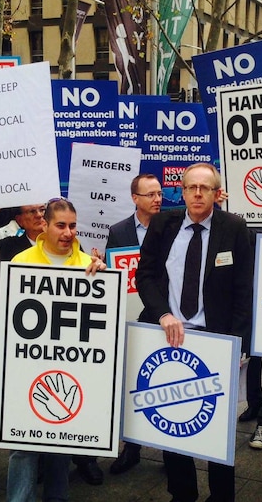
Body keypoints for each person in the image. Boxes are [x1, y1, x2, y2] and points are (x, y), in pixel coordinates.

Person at [136, 162, 253, 502]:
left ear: (217, 194)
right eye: (191, 187)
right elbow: (144, 276)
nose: (198, 193)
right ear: (183, 191)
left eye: (206, 188)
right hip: (169, 335)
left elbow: (243, 291)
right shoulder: (163, 225)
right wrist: (162, 314)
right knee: (175, 419)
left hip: (215, 340)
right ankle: (182, 493)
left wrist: (239, 346)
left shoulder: (234, 228)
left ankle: (222, 495)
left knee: (217, 428)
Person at [6, 197, 107, 501]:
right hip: (27, 372)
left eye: (73, 226)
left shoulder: (88, 267)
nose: (68, 232)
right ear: (44, 226)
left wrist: (104, 280)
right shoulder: (22, 262)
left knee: (61, 450)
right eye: (60, 225)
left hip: (69, 374)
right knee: (23, 449)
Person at [104, 173, 162, 475]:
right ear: (135, 198)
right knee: (132, 381)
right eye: (150, 194)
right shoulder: (119, 231)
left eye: (159, 193)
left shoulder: (172, 226)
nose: (157, 199)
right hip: (132, 316)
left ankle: (172, 452)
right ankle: (132, 448)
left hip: (164, 315)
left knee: (165, 379)